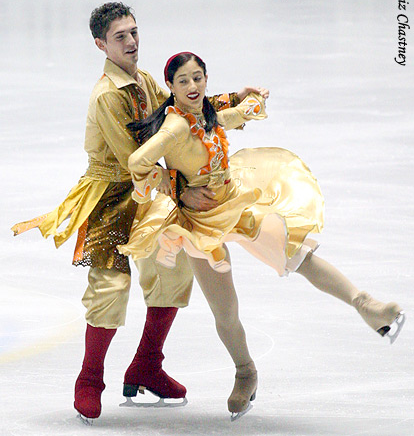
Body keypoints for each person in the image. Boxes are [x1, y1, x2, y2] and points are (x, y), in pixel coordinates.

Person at [118, 52, 406, 420]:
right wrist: (177, 188)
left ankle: (366, 305)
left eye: (198, 78)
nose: (193, 86)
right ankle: (245, 371)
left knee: (298, 254)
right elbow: (137, 162)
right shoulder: (174, 127)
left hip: (235, 200)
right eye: (184, 81)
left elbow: (228, 116)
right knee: (226, 310)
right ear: (170, 86)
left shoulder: (205, 112)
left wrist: (245, 101)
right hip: (200, 223)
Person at [11, 3, 263, 423]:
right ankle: (89, 379)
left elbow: (179, 110)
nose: (131, 41)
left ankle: (147, 365)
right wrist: (182, 189)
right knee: (110, 286)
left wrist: (232, 99)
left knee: (172, 272)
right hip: (112, 197)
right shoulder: (107, 95)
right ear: (101, 45)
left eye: (133, 32)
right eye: (120, 36)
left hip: (149, 194)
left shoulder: (143, 80)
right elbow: (136, 157)